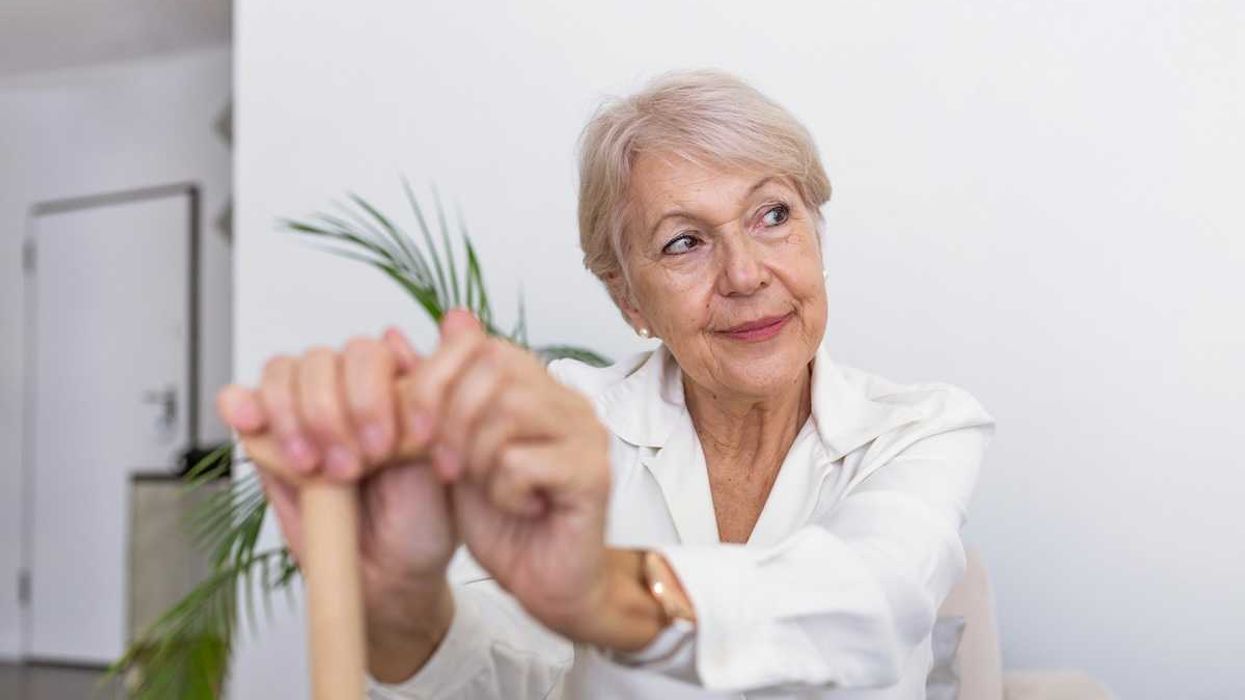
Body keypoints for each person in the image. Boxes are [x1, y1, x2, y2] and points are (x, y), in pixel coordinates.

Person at [217, 70, 995, 699]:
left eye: (771, 215)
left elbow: (870, 597)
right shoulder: (569, 420)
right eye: (684, 242)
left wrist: (596, 590)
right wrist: (401, 598)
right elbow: (499, 680)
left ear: (815, 236)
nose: (746, 274)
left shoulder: (921, 427)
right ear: (629, 299)